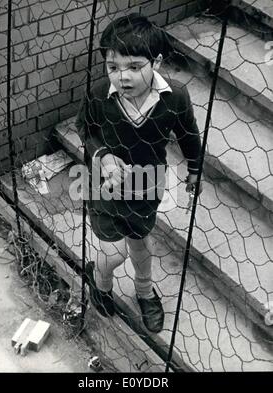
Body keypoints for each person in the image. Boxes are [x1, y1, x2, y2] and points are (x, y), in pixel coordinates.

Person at [76, 13, 202, 333]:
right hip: (105, 185)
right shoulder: (100, 94)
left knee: (141, 241)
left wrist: (194, 170)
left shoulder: (175, 97)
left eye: (134, 67)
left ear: (156, 62)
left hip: (147, 185)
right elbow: (85, 129)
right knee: (114, 254)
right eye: (113, 67)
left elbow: (188, 135)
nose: (123, 77)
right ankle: (101, 282)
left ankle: (145, 292)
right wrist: (103, 157)